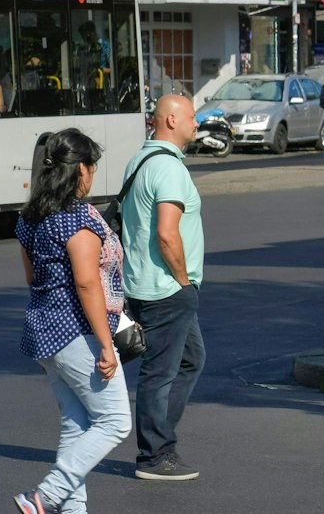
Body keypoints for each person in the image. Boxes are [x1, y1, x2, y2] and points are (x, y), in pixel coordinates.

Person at [11, 129, 131, 514]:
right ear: (81, 169)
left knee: (76, 426)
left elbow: (32, 277)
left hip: (45, 333)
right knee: (115, 421)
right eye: (92, 166)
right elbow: (87, 282)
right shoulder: (77, 219)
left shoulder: (31, 217)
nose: (93, 174)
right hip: (76, 332)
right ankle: (44, 497)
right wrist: (106, 345)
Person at [121, 94, 206, 482]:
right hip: (167, 288)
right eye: (191, 116)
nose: (196, 123)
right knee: (159, 372)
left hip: (144, 283)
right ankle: (154, 455)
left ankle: (161, 441)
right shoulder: (169, 169)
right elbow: (167, 233)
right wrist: (185, 282)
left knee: (191, 359)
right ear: (171, 120)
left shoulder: (139, 160)